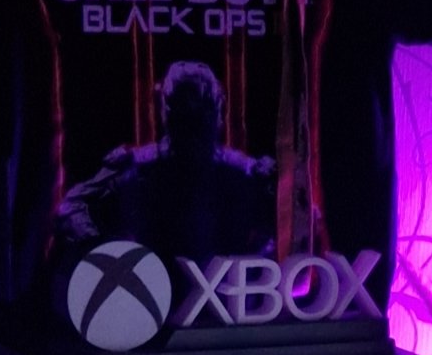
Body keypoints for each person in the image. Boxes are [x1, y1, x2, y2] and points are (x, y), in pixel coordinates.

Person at [58, 56, 275, 264]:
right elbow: (71, 206)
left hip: (226, 282)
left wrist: (260, 255)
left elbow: (283, 219)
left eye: (198, 119)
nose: (192, 132)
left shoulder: (244, 171)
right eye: (185, 119)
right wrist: (103, 249)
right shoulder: (137, 166)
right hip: (153, 281)